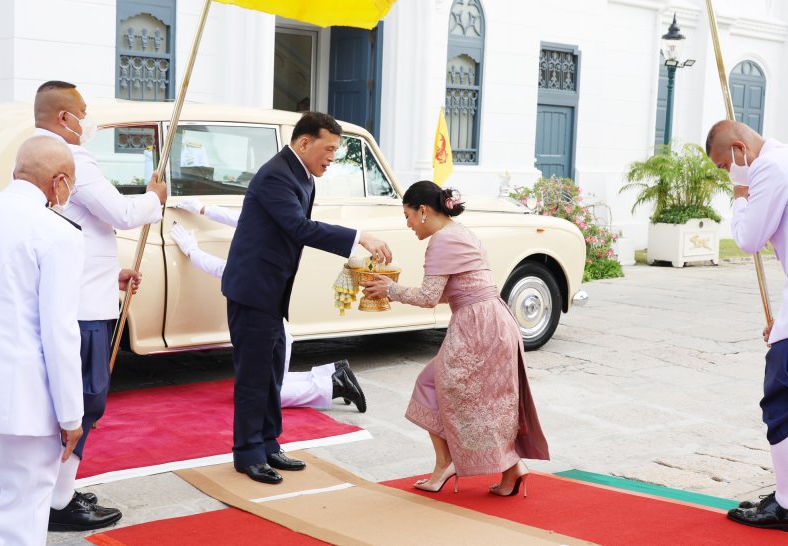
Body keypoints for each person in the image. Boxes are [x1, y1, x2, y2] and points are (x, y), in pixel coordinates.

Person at [221, 111, 391, 485]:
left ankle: (268, 443)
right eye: (328, 149)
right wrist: (359, 236)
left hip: (272, 290)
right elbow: (299, 228)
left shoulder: (300, 174)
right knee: (253, 375)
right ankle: (248, 453)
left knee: (272, 368)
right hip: (253, 290)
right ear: (304, 142)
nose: (332, 157)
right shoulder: (276, 176)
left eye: (336, 150)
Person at [33, 80, 168, 531]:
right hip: (84, 308)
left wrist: (112, 275)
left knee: (69, 402)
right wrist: (155, 199)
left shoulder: (35, 151)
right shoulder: (73, 159)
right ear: (63, 117)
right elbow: (121, 214)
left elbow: (76, 233)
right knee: (84, 402)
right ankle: (58, 502)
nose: (87, 121)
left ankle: (56, 491)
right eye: (83, 112)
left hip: (81, 291)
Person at [360, 181, 549, 496]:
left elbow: (430, 297)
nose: (407, 224)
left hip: (478, 327)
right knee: (487, 399)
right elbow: (459, 290)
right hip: (492, 320)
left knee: (446, 389)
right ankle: (509, 469)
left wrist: (390, 290)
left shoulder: (442, 241)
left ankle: (452, 463)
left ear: (422, 211)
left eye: (407, 215)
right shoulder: (462, 233)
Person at [706, 120, 788, 534]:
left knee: (783, 403)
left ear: (738, 149)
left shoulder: (769, 167)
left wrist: (739, 194)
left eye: (724, 165)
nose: (726, 172)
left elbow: (749, 238)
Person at [169, 198, 366, 412]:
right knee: (262, 385)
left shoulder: (260, 252)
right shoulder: (271, 228)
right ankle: (331, 373)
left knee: (259, 396)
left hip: (270, 339)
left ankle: (333, 385)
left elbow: (224, 270)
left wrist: (193, 252)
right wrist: (204, 209)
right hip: (274, 335)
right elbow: (241, 221)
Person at [0, 137, 85, 545]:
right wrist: (71, 417)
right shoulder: (57, 232)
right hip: (23, 402)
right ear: (59, 182)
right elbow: (59, 332)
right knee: (23, 515)